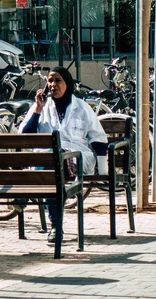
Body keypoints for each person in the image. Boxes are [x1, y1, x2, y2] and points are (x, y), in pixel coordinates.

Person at [19, 66, 108, 243]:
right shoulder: (41, 106)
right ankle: (56, 227)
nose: (53, 85)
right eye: (50, 81)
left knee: (55, 159)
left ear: (67, 83)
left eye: (58, 80)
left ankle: (28, 192)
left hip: (74, 159)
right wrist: (37, 108)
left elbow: (98, 138)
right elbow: (25, 136)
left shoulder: (81, 107)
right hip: (48, 163)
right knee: (53, 170)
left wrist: (103, 169)